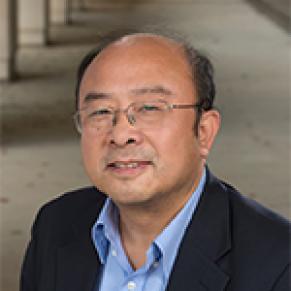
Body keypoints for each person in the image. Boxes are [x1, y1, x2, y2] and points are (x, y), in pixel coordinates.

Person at [20, 31, 290, 291]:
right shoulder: (55, 225)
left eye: (149, 108)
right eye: (100, 111)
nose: (121, 134)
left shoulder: (279, 263)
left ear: (204, 132)